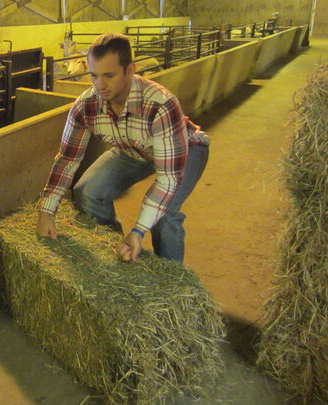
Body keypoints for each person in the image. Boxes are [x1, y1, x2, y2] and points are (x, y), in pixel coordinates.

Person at [36, 33, 209, 263]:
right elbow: (68, 158)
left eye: (109, 75)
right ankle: (118, 249)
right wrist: (47, 209)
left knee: (165, 216)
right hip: (133, 149)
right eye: (93, 76)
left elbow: (168, 178)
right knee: (87, 192)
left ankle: (170, 280)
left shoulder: (160, 104)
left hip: (184, 151)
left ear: (130, 70)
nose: (100, 85)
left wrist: (138, 230)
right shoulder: (85, 106)